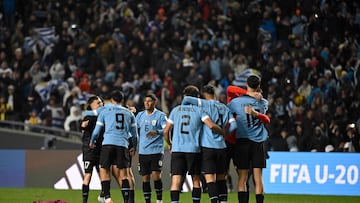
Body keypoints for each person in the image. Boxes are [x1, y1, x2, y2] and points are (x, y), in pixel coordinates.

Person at [164, 85, 225, 203]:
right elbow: (211, 125)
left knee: (175, 182)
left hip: (177, 150)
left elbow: (166, 131)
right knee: (196, 180)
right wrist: (223, 132)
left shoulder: (175, 110)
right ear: (197, 97)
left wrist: (170, 143)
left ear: (184, 96)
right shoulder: (199, 110)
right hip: (194, 149)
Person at [182, 84, 233, 203]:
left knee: (210, 179)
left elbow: (186, 99)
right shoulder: (225, 107)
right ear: (214, 94)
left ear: (204, 95)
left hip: (208, 147)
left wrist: (185, 111)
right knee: (221, 178)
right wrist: (225, 133)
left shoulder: (204, 104)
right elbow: (234, 125)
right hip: (222, 147)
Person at [89, 90, 138, 203]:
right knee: (124, 175)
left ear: (111, 100)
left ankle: (107, 197)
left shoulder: (105, 111)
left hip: (108, 144)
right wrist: (134, 147)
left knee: (104, 170)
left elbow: (97, 131)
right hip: (122, 145)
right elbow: (135, 135)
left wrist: (92, 141)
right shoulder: (129, 113)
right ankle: (126, 200)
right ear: (122, 101)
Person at [228, 75, 270, 203]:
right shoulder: (263, 102)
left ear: (246, 84)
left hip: (242, 141)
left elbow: (230, 90)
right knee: (258, 177)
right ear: (259, 86)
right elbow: (266, 119)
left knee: (242, 177)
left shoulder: (235, 103)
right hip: (258, 142)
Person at [135, 93, 167, 203]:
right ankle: (147, 201)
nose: (147, 103)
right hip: (143, 151)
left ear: (155, 102)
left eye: (149, 101)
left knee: (155, 175)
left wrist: (157, 131)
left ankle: (159, 200)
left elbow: (167, 129)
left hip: (156, 150)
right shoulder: (140, 115)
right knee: (145, 178)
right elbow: (134, 128)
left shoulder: (161, 116)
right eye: (145, 101)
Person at [81, 96, 104, 203]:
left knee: (104, 175)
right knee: (88, 175)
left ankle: (104, 196)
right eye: (98, 103)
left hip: (101, 150)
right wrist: (83, 125)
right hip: (89, 150)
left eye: (101, 102)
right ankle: (84, 201)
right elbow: (83, 126)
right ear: (91, 105)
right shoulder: (89, 117)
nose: (100, 104)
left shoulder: (103, 115)